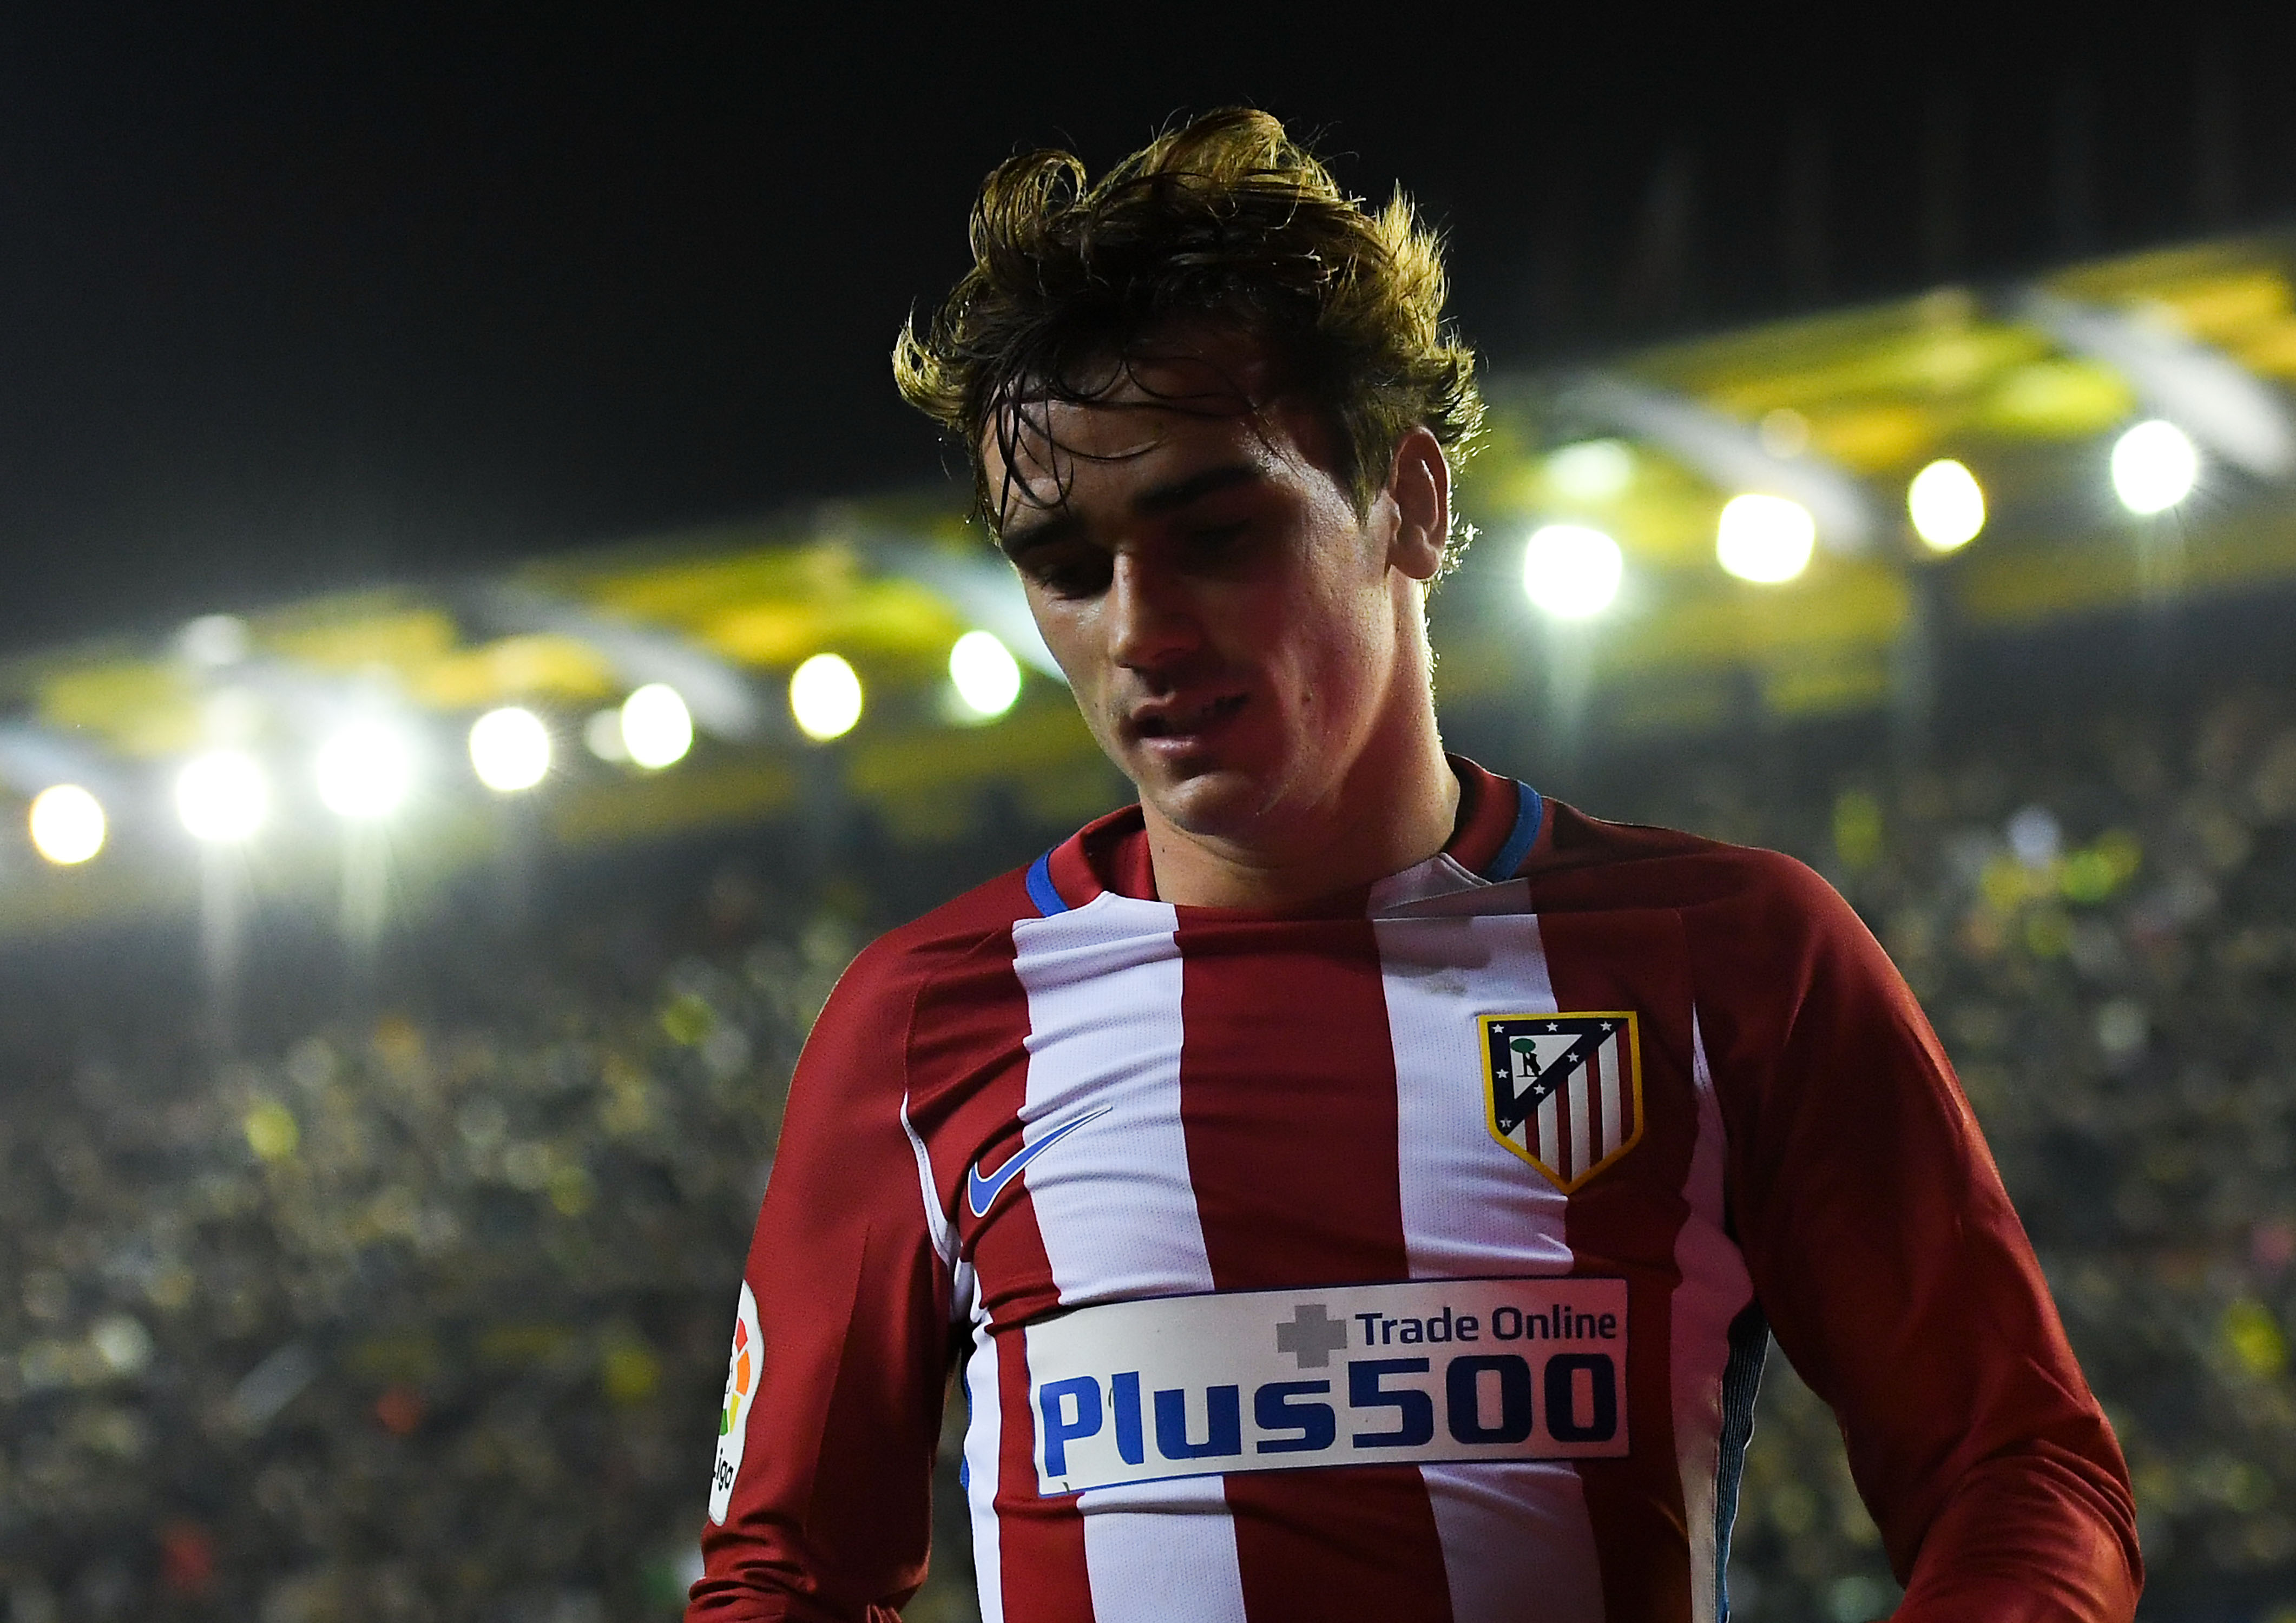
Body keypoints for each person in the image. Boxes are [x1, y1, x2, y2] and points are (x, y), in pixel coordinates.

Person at [687, 109, 2141, 1623]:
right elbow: (783, 1577)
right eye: (1066, 566)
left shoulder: (1732, 958)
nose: (1138, 629)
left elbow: (2019, 1475)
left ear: (1414, 504)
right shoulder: (927, 1021)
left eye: (1220, 532)